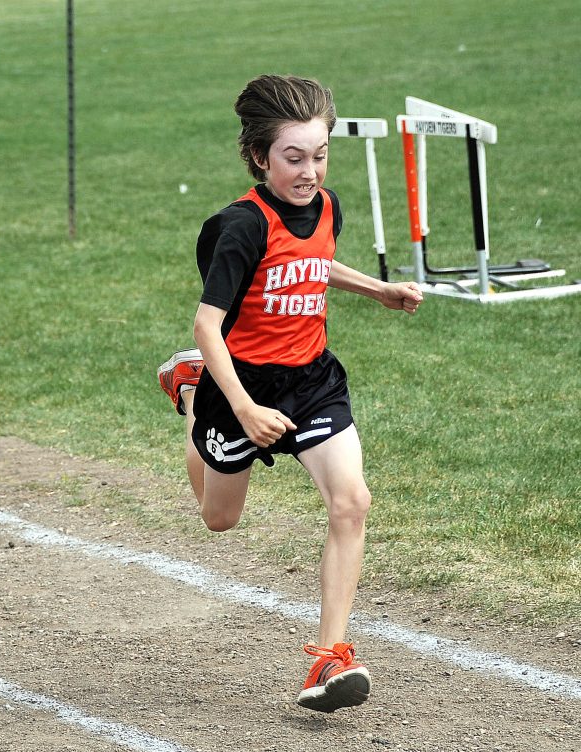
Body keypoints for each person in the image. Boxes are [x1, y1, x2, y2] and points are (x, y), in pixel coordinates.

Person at [157, 74, 423, 713]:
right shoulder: (238, 229)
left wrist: (376, 289)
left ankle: (329, 659)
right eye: (293, 158)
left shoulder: (328, 206)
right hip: (239, 384)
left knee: (351, 501)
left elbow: (314, 262)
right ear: (259, 157)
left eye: (320, 154)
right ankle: (192, 390)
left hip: (310, 380)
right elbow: (207, 324)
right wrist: (242, 408)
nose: (309, 171)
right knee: (220, 520)